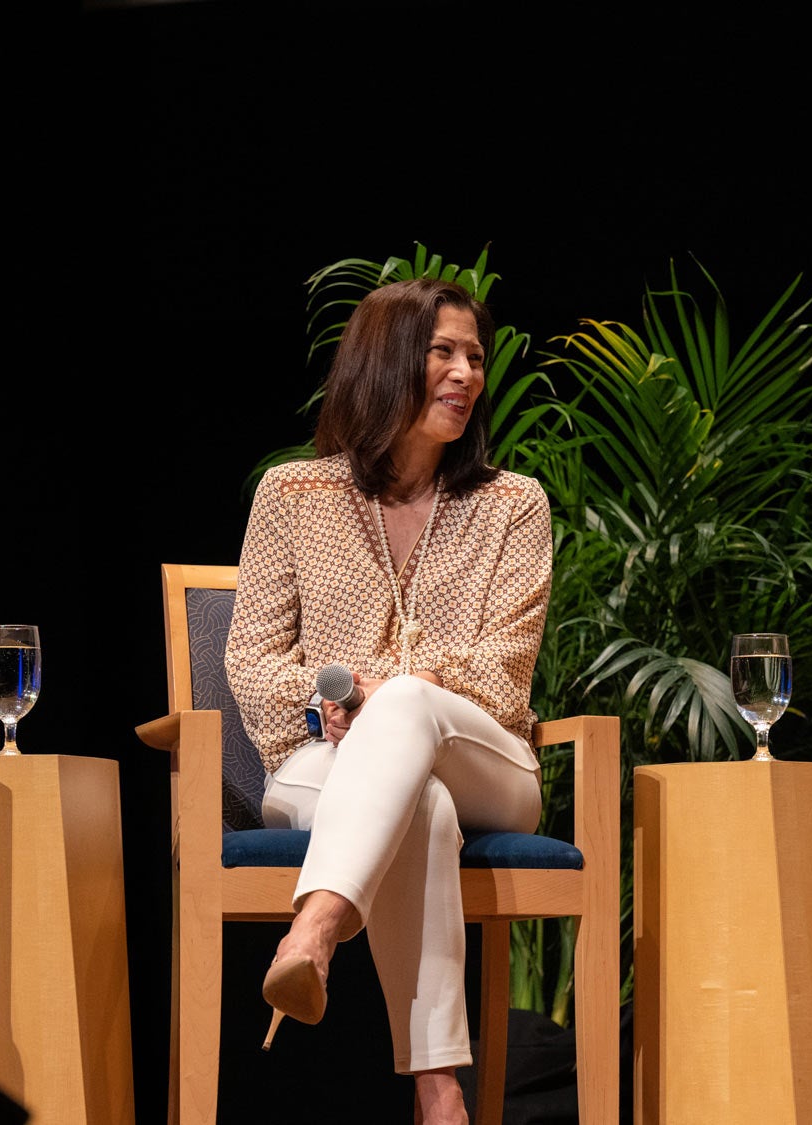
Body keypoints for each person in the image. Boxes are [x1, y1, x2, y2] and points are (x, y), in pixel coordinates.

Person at [224, 277, 551, 1123]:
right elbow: (253, 662)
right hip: (320, 760)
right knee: (424, 807)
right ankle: (440, 1093)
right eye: (442, 351)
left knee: (413, 713)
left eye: (474, 356)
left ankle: (314, 930)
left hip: (492, 761)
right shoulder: (293, 496)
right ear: (384, 361)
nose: (466, 372)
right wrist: (326, 701)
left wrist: (388, 688)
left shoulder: (512, 504)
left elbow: (506, 670)